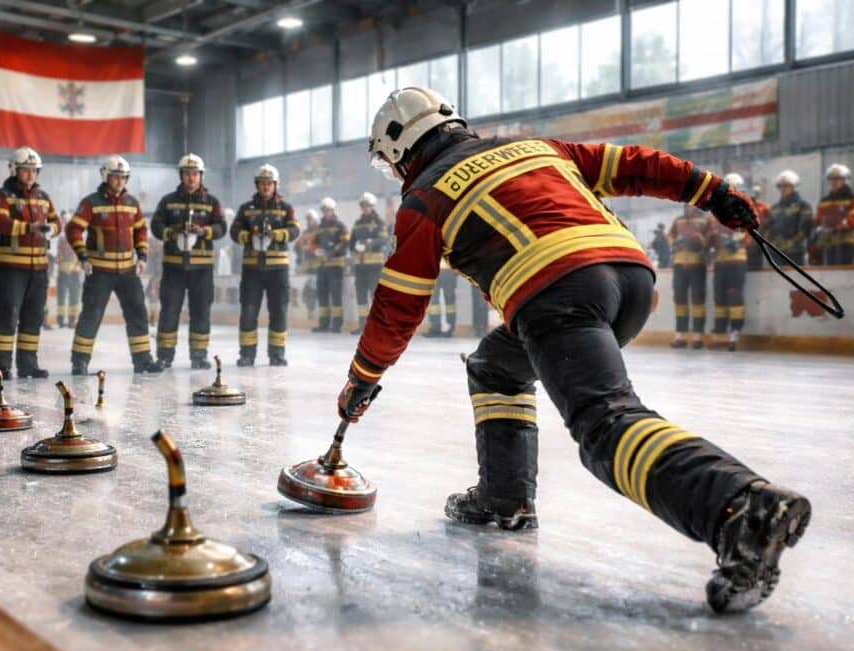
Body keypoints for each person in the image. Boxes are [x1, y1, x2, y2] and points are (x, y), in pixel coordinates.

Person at [337, 87, 810, 614]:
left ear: (400, 150)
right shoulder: (537, 148)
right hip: (629, 280)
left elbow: (399, 303)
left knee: (605, 425)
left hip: (556, 292)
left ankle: (739, 507)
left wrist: (364, 374)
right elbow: (635, 165)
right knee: (495, 366)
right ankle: (504, 498)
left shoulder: (424, 198)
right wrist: (713, 193)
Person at [66, 155, 161, 375]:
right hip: (99, 271)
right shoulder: (91, 203)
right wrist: (82, 255)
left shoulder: (132, 203)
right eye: (115, 177)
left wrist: (142, 256)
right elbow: (74, 229)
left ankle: (143, 360)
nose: (119, 181)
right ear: (105, 176)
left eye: (123, 177)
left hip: (128, 271)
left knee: (138, 312)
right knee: (91, 314)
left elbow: (141, 230)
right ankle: (79, 362)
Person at [0, 147, 60, 378]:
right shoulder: (1, 195)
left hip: (39, 267)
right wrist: (29, 228)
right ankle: (1, 365)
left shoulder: (43, 197)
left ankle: (28, 365)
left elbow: (57, 221)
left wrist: (53, 229)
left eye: (34, 170)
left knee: (34, 315)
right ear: (14, 170)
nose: (30, 174)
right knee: (8, 314)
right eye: (25, 170)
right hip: (11, 268)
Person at [150, 153, 226, 369]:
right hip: (173, 267)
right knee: (169, 310)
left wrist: (204, 231)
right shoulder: (167, 201)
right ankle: (165, 355)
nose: (191, 178)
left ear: (201, 176)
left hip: (201, 268)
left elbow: (222, 228)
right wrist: (171, 232)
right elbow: (156, 226)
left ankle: (199, 355)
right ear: (181, 175)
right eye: (187, 174)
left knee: (201, 310)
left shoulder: (212, 203)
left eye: (195, 174)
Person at [230, 164, 299, 366]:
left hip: (278, 269)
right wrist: (247, 236)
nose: (266, 187)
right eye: (262, 183)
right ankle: (247, 354)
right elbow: (234, 231)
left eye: (269, 183)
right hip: (252, 269)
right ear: (257, 185)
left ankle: (277, 354)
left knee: (278, 311)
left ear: (275, 185)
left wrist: (277, 234)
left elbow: (295, 230)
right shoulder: (246, 209)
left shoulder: (285, 208)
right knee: (249, 311)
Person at [709, 173, 750, 351]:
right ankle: (719, 334)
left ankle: (735, 333)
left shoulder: (746, 209)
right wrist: (710, 244)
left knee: (734, 295)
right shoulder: (716, 212)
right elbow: (711, 234)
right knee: (719, 297)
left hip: (737, 260)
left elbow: (753, 233)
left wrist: (739, 242)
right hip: (720, 261)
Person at [668, 205, 712, 349]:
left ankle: (698, 337)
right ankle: (680, 336)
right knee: (679, 299)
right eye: (687, 204)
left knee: (697, 299)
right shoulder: (678, 220)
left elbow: (711, 238)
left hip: (697, 264)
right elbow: (670, 236)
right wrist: (675, 242)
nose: (689, 207)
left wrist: (701, 239)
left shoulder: (704, 220)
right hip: (679, 264)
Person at [349, 192, 388, 334]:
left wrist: (370, 243)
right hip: (360, 265)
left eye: (368, 206)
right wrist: (355, 247)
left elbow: (384, 239)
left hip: (375, 266)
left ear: (372, 207)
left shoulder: (379, 222)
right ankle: (362, 325)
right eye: (363, 206)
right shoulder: (357, 224)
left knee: (374, 295)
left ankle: (378, 326)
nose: (365, 208)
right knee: (361, 296)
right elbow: (351, 242)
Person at [311, 197, 349, 333]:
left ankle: (337, 325)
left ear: (332, 210)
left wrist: (332, 251)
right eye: (323, 210)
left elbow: (345, 241)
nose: (325, 212)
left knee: (335, 295)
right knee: (322, 295)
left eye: (328, 210)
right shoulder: (319, 227)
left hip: (335, 266)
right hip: (322, 266)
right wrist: (315, 250)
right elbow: (313, 243)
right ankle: (323, 324)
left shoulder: (340, 225)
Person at [813, 164, 854, 266]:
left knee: (845, 273)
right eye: (832, 179)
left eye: (838, 179)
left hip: (845, 242)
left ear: (845, 180)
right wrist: (818, 226)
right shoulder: (824, 201)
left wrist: (845, 223)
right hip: (827, 242)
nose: (834, 181)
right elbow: (817, 218)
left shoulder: (853, 199)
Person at [768, 170, 811, 267]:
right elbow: (768, 229)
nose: (783, 189)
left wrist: (791, 243)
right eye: (780, 186)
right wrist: (770, 243)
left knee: (795, 279)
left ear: (794, 187)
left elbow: (805, 230)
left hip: (795, 252)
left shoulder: (803, 206)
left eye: (786, 186)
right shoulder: (774, 208)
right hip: (776, 252)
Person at [55, 212, 81, 328]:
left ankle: (72, 320)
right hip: (62, 272)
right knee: (61, 296)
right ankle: (61, 320)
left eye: (66, 220)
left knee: (74, 297)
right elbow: (56, 255)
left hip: (75, 272)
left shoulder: (77, 235)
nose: (64, 222)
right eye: (62, 220)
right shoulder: (59, 236)